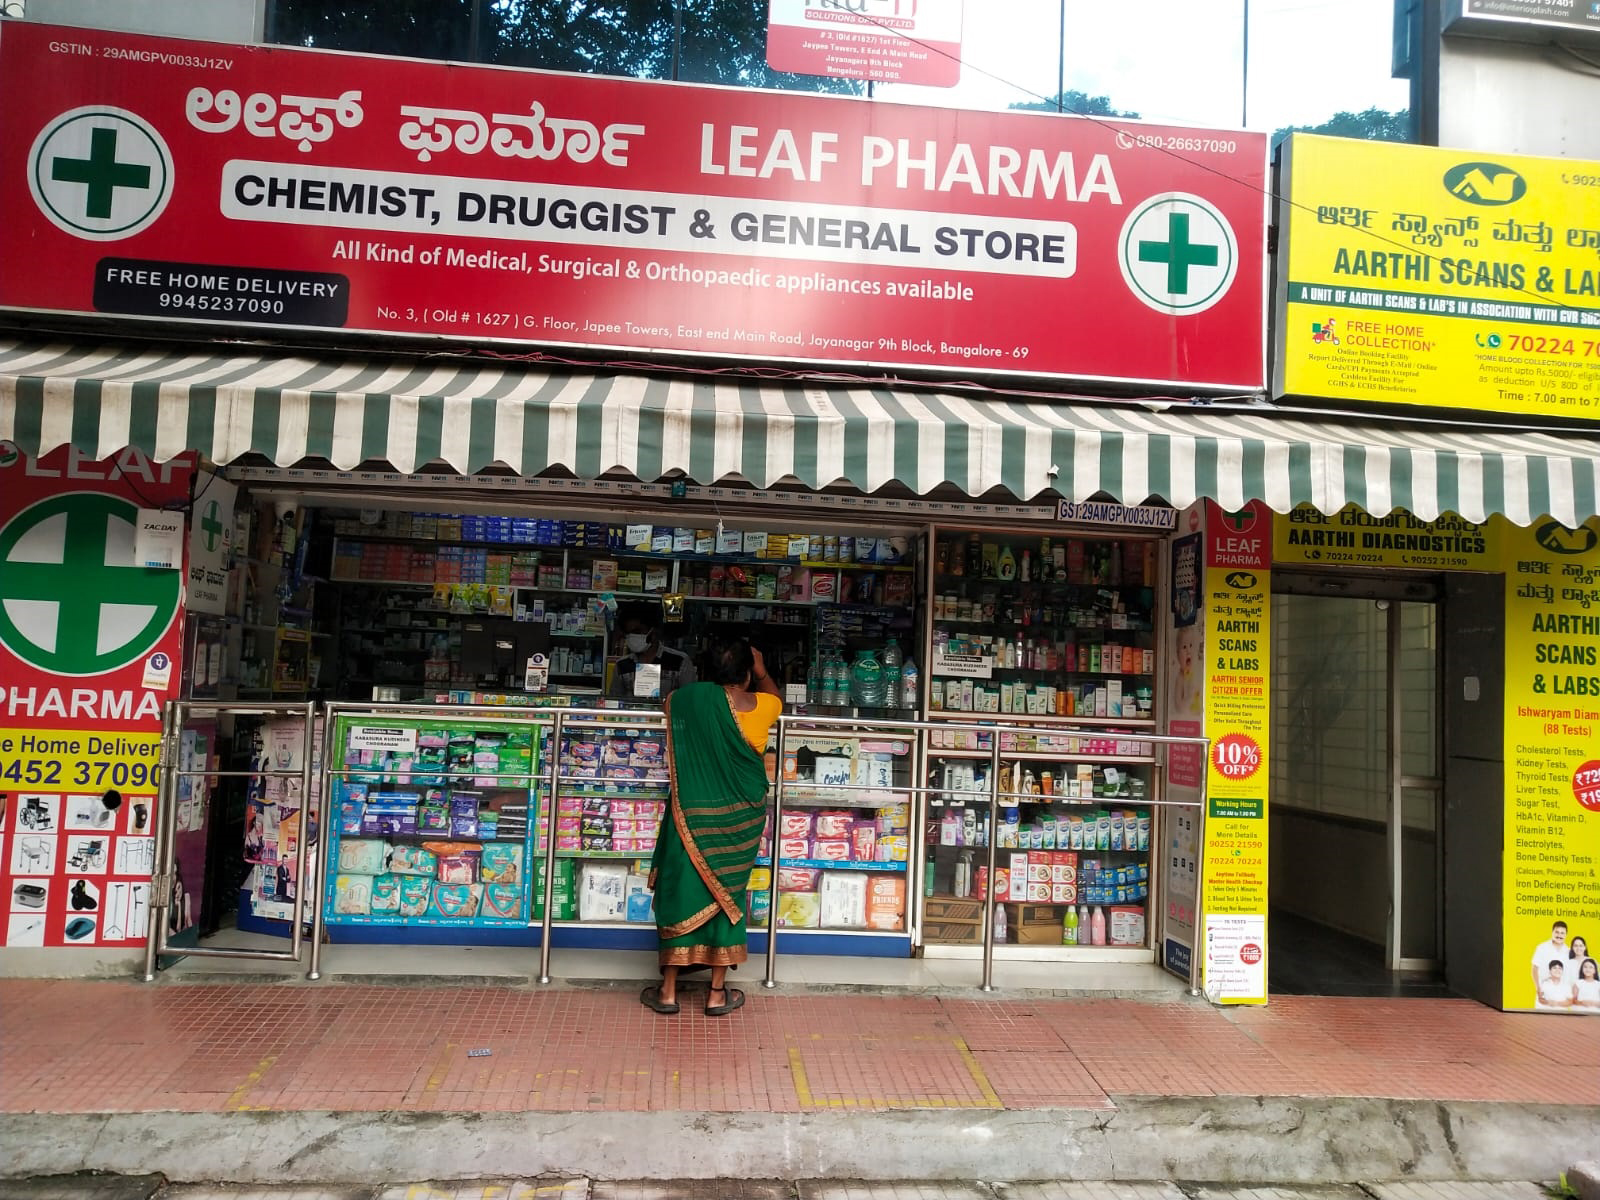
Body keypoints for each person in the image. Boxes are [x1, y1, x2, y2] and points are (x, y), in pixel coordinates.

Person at [640, 638, 781, 1017]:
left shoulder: (683, 700)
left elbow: (670, 704)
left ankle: (668, 992)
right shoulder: (763, 705)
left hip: (691, 813)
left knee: (681, 892)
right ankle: (716, 994)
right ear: (747, 671)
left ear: (706, 671)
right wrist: (762, 671)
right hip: (740, 817)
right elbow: (775, 696)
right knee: (727, 897)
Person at [609, 602, 697, 700]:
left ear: (653, 632)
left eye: (637, 632)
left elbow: (690, 700)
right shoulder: (622, 665)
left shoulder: (680, 661)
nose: (632, 636)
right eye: (628, 633)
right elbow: (613, 701)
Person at [1530, 919, 1568, 994]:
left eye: (1562, 933)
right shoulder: (1542, 948)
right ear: (1552, 932)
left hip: (1562, 993)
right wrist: (1538, 987)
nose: (1559, 935)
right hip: (1544, 991)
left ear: (1566, 935)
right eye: (1557, 932)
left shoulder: (1568, 951)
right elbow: (1534, 969)